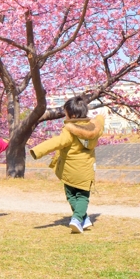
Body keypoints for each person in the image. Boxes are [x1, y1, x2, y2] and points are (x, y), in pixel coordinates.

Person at [29, 98, 106, 234]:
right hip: (86, 170)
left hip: (70, 170)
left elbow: (57, 142)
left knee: (72, 195)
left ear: (74, 116)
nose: (65, 116)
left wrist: (38, 150)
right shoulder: (94, 128)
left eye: (66, 114)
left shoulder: (69, 130)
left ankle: (76, 218)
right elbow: (100, 121)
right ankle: (84, 219)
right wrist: (101, 116)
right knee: (83, 196)